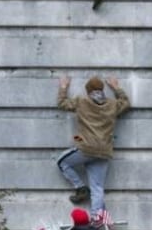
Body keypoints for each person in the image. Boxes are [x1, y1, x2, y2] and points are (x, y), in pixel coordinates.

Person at [56, 75, 131, 215]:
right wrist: (116, 88)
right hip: (104, 152)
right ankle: (97, 219)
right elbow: (126, 103)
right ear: (102, 89)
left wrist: (63, 87)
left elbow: (62, 103)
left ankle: (80, 187)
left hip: (86, 149)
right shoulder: (113, 104)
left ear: (88, 91)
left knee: (62, 162)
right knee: (97, 188)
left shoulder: (81, 101)